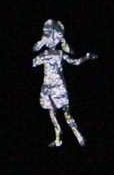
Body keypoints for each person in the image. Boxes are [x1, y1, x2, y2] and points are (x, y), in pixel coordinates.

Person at [32, 19, 96, 147]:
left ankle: (77, 138)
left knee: (59, 114)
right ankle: (63, 139)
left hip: (55, 88)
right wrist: (86, 57)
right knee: (58, 114)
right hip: (52, 88)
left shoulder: (47, 54)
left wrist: (86, 57)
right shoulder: (55, 54)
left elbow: (34, 59)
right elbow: (75, 62)